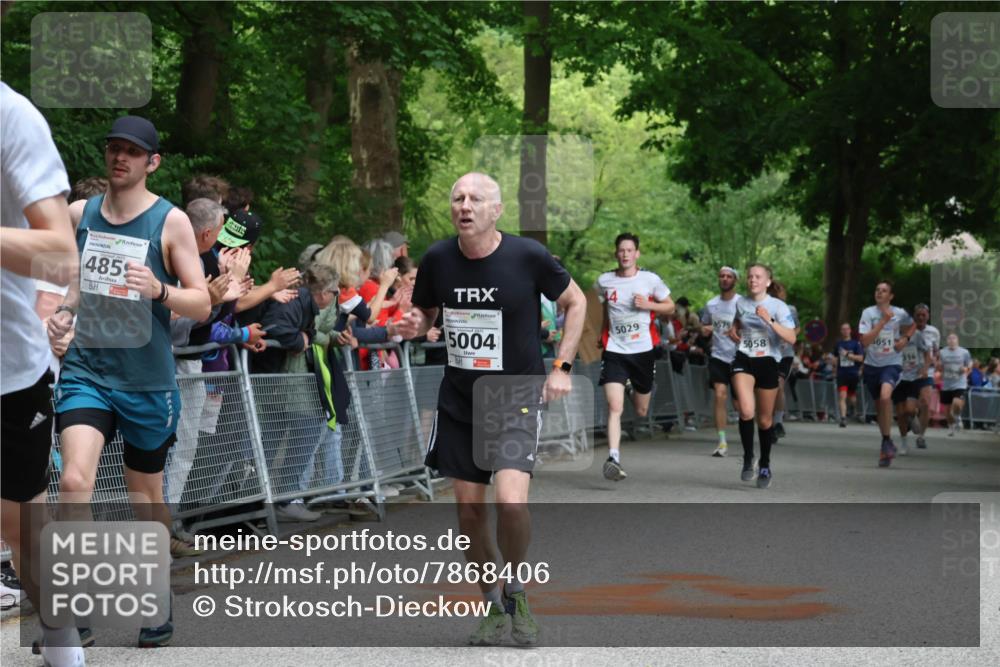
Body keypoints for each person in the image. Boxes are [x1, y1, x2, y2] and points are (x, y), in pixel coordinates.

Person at [395, 172, 586, 646]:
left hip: (515, 395)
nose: (465, 205)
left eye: (476, 199)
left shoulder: (527, 256)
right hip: (460, 400)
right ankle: (492, 604)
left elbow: (576, 301)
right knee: (468, 514)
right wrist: (410, 324)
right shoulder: (439, 258)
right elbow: (426, 318)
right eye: (458, 197)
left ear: (496, 210)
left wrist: (561, 366)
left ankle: (516, 586)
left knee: (511, 501)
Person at [46, 115, 211, 648]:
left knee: (146, 498)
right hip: (88, 371)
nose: (121, 157)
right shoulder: (80, 214)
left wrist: (158, 291)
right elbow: (64, 280)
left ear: (152, 162)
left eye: (132, 152)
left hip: (146, 381)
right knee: (73, 482)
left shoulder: (171, 222)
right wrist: (59, 315)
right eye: (114, 148)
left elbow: (202, 303)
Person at [1, 81, 84, 667]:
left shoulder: (11, 116)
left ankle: (61, 641)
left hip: (7, 372)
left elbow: (60, 253)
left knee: (21, 528)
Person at [595, 233, 674, 480]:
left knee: (641, 410)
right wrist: (602, 333)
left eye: (630, 250)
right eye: (621, 250)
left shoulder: (650, 279)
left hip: (642, 350)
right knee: (614, 406)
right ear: (616, 253)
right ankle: (614, 457)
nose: (625, 254)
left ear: (637, 253)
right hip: (615, 350)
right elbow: (606, 308)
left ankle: (634, 389)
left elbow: (670, 306)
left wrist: (649, 305)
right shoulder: (604, 281)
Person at [727, 265, 796, 489]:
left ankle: (765, 464)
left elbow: (792, 338)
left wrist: (770, 321)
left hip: (768, 362)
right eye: (750, 277)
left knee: (765, 420)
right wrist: (734, 330)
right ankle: (749, 458)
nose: (752, 280)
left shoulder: (778, 306)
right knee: (746, 411)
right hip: (744, 359)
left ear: (767, 281)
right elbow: (738, 322)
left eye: (758, 277)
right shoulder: (741, 303)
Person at [857, 280, 916, 467]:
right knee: (880, 406)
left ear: (890, 296)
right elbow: (865, 342)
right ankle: (886, 441)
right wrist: (882, 321)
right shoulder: (868, 313)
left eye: (884, 291)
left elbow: (912, 325)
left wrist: (905, 339)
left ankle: (887, 441)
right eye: (877, 290)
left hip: (892, 363)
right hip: (871, 366)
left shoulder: (899, 313)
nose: (880, 293)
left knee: (885, 398)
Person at [700, 266, 741, 457]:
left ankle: (747, 434)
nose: (725, 279)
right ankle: (722, 442)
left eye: (729, 276)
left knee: (741, 404)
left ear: (735, 280)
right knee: (720, 395)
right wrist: (705, 329)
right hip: (718, 356)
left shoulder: (742, 303)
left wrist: (739, 336)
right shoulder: (711, 304)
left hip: (740, 356)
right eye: (722, 276)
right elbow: (704, 327)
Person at [892, 319, 932, 455]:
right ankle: (904, 443)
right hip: (897, 379)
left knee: (909, 409)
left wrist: (925, 369)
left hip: (913, 377)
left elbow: (927, 353)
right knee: (900, 414)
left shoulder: (917, 335)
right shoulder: (890, 335)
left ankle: (913, 415)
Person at [767, 281, 798, 438]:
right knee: (768, 390)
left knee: (778, 386)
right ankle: (769, 424)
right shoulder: (764, 309)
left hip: (785, 355)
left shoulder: (790, 309)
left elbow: (797, 328)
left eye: (780, 289)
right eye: (775, 290)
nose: (778, 292)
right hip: (768, 354)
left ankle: (778, 422)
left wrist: (789, 336)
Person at [912, 304, 940, 448]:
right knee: (908, 407)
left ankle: (921, 436)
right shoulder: (907, 330)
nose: (921, 317)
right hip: (909, 372)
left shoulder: (934, 332)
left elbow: (936, 351)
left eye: (924, 315)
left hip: (927, 371)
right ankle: (912, 415)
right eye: (918, 315)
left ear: (928, 316)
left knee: (926, 402)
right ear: (914, 316)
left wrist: (935, 359)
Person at [939, 333, 973, 436]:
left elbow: (970, 364)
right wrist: (939, 367)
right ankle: (951, 427)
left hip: (960, 383)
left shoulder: (964, 352)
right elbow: (939, 366)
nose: (952, 340)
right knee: (948, 411)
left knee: (956, 403)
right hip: (946, 383)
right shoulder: (942, 352)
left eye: (954, 338)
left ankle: (958, 417)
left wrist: (966, 369)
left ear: (958, 340)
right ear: (946, 341)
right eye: (949, 338)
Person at [834, 323, 864, 427]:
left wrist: (847, 354)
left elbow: (860, 358)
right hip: (842, 373)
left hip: (853, 373)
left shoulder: (856, 344)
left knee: (852, 396)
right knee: (842, 396)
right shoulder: (838, 344)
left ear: (850, 330)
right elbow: (835, 358)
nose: (845, 331)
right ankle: (843, 418)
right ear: (841, 331)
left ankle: (853, 408)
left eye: (847, 329)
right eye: (843, 329)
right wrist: (834, 369)